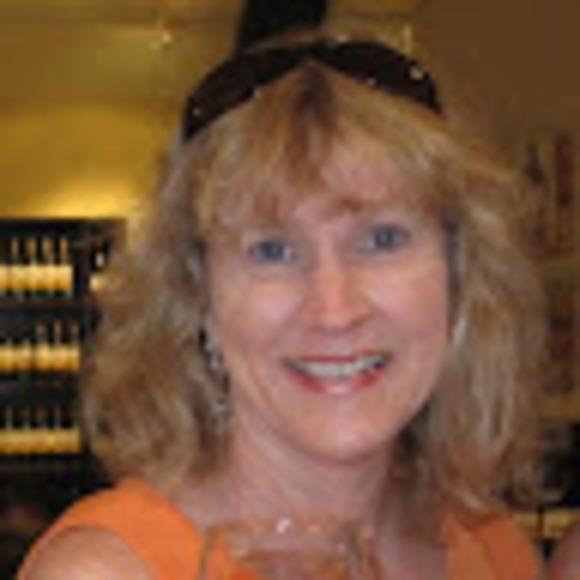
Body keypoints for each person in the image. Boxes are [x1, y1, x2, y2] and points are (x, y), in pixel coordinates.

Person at [19, 27, 546, 579]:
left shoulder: (494, 552)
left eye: (381, 240)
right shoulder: (108, 570)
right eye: (273, 251)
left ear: (459, 274)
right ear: (198, 296)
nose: (335, 310)